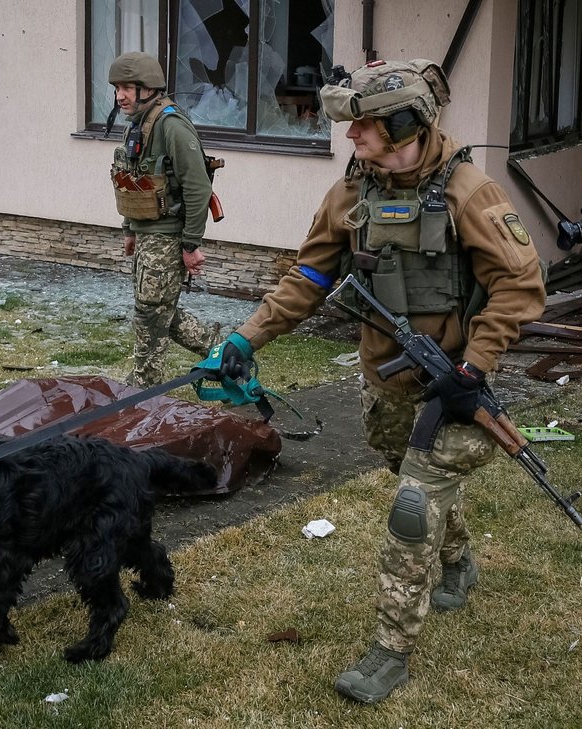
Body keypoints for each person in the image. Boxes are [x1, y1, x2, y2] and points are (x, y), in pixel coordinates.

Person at [208, 59, 546, 703]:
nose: (350, 137)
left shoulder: (468, 192)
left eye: (361, 125)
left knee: (412, 510)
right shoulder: (349, 194)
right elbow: (309, 278)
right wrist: (244, 338)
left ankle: (390, 652)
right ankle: (460, 563)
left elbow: (520, 285)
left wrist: (474, 368)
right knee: (412, 478)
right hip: (384, 387)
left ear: (402, 123)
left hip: (451, 388)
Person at [108, 51, 221, 388]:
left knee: (151, 312)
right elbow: (130, 180)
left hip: (168, 235)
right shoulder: (137, 125)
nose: (120, 96)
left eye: (128, 88)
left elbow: (198, 187)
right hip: (146, 233)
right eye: (117, 88)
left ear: (148, 88)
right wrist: (129, 229)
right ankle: (222, 350)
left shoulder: (171, 125)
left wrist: (191, 244)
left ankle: (144, 385)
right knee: (158, 310)